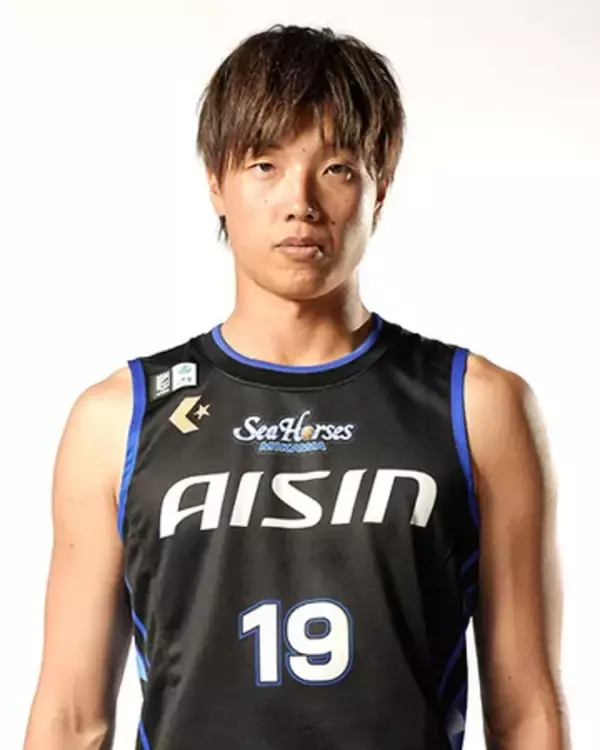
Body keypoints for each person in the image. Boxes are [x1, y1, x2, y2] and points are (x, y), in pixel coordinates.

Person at [23, 23, 565, 750]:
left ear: (380, 186)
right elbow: (70, 718)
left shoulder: (476, 405)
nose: (300, 201)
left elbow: (526, 711)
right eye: (265, 164)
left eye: (337, 167)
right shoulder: (118, 418)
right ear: (216, 181)